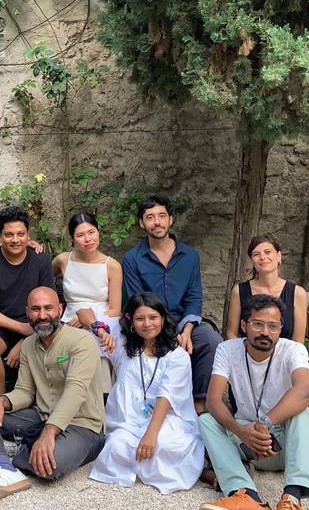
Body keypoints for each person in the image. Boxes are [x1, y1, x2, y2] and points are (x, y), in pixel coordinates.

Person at [0, 287, 105, 505]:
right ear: (28, 312)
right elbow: (25, 391)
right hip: (41, 416)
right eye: (35, 309)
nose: (42, 315)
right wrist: (2, 401)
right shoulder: (28, 345)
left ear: (60, 309)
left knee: (48, 466)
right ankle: (5, 469)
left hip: (81, 424)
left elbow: (76, 390)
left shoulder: (82, 341)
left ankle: (21, 452)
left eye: (48, 308)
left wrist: (48, 433)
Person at [198, 294, 309, 510]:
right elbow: (213, 400)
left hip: (292, 442)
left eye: (273, 326)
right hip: (251, 444)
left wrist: (265, 423)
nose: (266, 332)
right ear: (244, 325)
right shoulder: (227, 349)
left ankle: (292, 498)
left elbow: (305, 390)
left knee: (300, 411)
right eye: (258, 324)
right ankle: (246, 495)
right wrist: (241, 431)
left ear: (280, 329)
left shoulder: (293, 349)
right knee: (206, 420)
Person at [89, 292, 203, 494]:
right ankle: (146, 467)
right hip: (128, 421)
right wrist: (100, 330)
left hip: (167, 418)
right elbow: (84, 311)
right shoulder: (123, 348)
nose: (147, 324)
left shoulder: (177, 355)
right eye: (140, 318)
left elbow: (167, 395)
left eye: (153, 317)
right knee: (117, 445)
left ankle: (150, 466)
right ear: (131, 322)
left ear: (163, 319)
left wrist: (151, 434)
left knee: (166, 444)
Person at [122, 194, 222, 413]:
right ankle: (154, 406)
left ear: (171, 219)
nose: (157, 222)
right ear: (142, 223)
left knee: (210, 340)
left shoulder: (190, 255)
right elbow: (137, 301)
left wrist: (187, 330)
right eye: (150, 217)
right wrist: (165, 330)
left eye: (162, 216)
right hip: (150, 324)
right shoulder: (132, 259)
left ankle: (201, 405)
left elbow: (194, 296)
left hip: (184, 323)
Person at [0, 207, 54, 395]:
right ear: (0, 236)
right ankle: (0, 400)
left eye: (21, 234)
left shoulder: (41, 260)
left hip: (35, 323)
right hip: (0, 326)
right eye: (9, 235)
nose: (15, 240)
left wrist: (26, 339)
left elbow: (49, 305)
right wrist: (21, 329)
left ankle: (44, 400)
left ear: (28, 234)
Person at [53, 211, 122, 395]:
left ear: (98, 232)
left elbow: (115, 309)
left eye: (91, 232)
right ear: (72, 238)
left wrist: (87, 319)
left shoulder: (112, 265)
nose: (87, 239)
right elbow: (42, 280)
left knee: (93, 343)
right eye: (80, 235)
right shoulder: (63, 260)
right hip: (68, 323)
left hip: (101, 322)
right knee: (62, 352)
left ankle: (101, 396)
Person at [226, 235, 308, 343]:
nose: (262, 257)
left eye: (267, 252)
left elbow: (298, 341)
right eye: (256, 254)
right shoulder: (239, 291)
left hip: (285, 353)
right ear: (252, 261)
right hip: (247, 352)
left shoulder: (298, 293)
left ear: (279, 256)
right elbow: (231, 333)